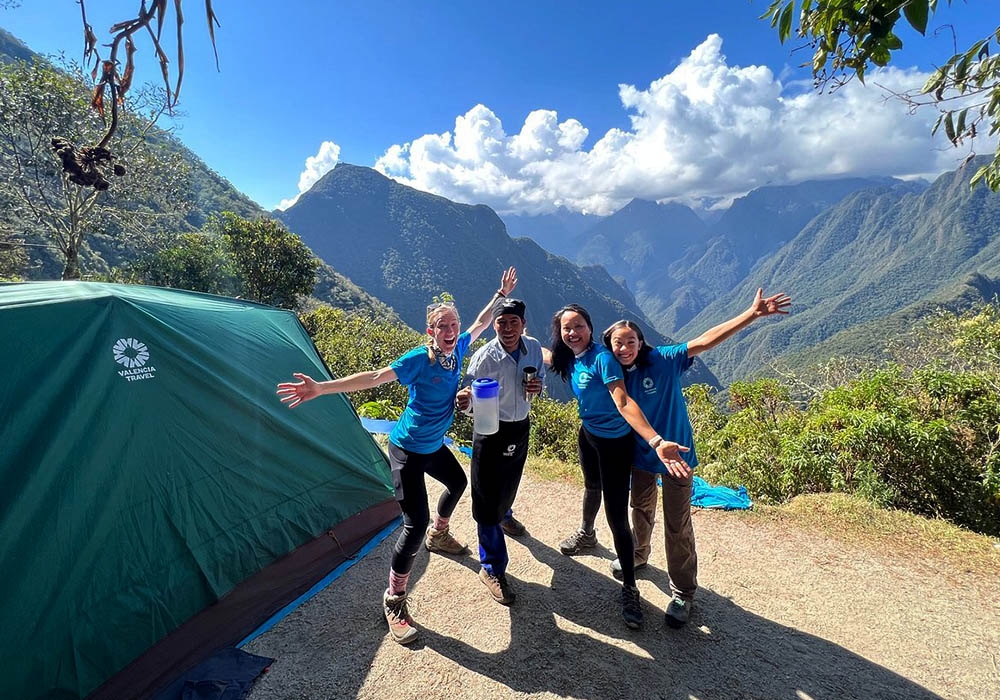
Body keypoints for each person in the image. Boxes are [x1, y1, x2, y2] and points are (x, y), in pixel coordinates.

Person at [276, 267, 518, 645]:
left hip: (433, 445)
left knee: (457, 482)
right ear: (430, 331)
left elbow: (482, 322)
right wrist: (321, 388)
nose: (450, 329)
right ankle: (394, 599)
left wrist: (500, 295)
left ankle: (440, 534)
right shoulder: (418, 360)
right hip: (406, 450)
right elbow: (374, 377)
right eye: (442, 325)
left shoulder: (458, 350)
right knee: (413, 525)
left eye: (453, 324)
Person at [602, 287, 791, 628]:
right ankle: (639, 555)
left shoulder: (664, 359)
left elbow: (705, 340)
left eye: (631, 341)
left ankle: (683, 592)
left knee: (678, 523)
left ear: (641, 343)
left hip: (679, 455)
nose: (625, 348)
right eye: (618, 343)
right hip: (642, 454)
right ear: (610, 346)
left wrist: (752, 315)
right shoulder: (614, 373)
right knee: (640, 508)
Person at [549, 304, 688, 630]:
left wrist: (656, 441)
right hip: (588, 436)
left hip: (614, 444)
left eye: (579, 326)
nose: (573, 332)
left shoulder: (604, 359)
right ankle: (586, 534)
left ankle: (629, 587)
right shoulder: (571, 357)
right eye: (567, 328)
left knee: (616, 516)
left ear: (590, 327)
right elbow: (545, 356)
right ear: (560, 333)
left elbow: (623, 401)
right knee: (591, 487)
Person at [455, 297, 545, 605]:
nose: (507, 328)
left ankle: (505, 514)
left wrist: (538, 387)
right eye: (501, 323)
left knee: (510, 481)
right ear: (493, 325)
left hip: (520, 426)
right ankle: (491, 567)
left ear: (523, 324)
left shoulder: (533, 348)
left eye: (513, 322)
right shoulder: (484, 357)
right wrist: (465, 401)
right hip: (490, 430)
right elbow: (467, 395)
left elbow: (539, 378)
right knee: (485, 497)